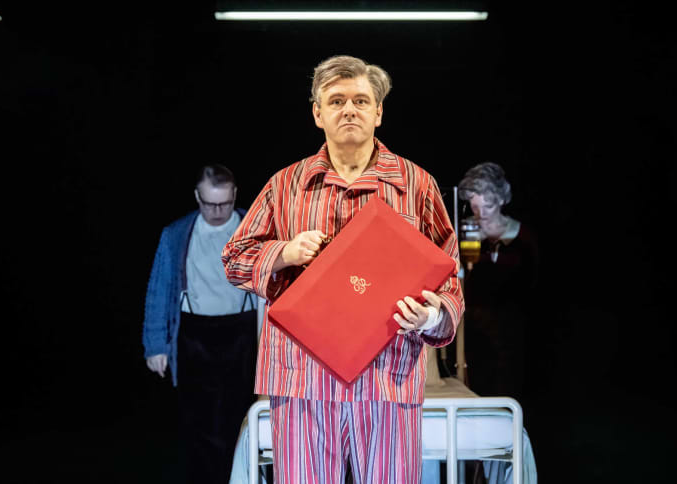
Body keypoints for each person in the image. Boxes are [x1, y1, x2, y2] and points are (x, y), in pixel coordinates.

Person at [222, 55, 464, 484]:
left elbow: (449, 277)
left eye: (360, 100)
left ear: (379, 111)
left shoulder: (417, 185)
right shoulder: (284, 185)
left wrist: (432, 316)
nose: (348, 109)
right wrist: (283, 252)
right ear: (318, 113)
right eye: (335, 101)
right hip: (303, 380)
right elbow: (234, 259)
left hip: (388, 377)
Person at [142, 164, 260, 484]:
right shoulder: (176, 235)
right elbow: (159, 290)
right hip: (195, 339)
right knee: (199, 428)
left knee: (241, 424)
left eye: (224, 202)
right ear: (197, 196)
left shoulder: (256, 230)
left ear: (235, 194)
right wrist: (155, 346)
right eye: (209, 203)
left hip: (242, 337)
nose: (217, 211)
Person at [458, 162, 539, 401]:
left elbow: (532, 281)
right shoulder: (469, 231)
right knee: (475, 382)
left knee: (507, 383)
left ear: (502, 200)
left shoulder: (523, 236)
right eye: (475, 207)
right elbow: (462, 273)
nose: (481, 214)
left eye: (488, 206)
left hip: (509, 325)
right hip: (472, 323)